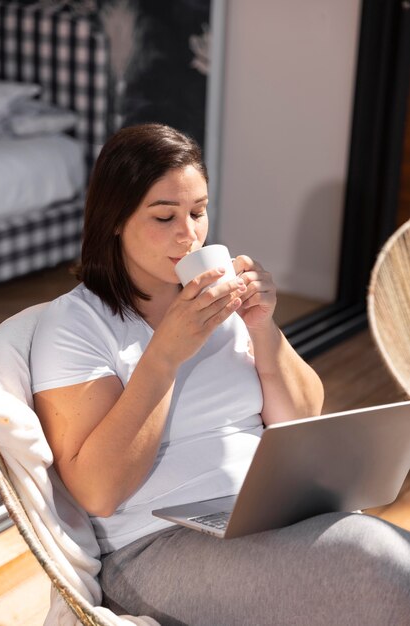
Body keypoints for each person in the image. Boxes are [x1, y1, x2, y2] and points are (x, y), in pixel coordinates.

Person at [30, 123, 410, 626]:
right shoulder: (74, 324)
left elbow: (300, 416)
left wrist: (263, 328)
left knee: (384, 556)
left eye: (198, 211)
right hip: (151, 549)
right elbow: (98, 492)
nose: (189, 234)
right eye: (165, 216)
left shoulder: (218, 300)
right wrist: (164, 354)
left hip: (262, 515)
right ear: (114, 219)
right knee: (376, 564)